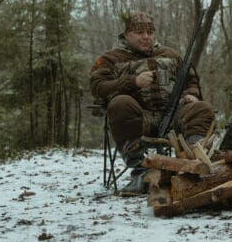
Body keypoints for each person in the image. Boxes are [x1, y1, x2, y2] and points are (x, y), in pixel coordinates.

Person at [90, 11, 214, 194]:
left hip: (173, 118)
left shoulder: (171, 55)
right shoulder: (110, 59)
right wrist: (133, 82)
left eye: (150, 32)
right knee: (120, 104)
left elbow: (191, 81)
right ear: (127, 34)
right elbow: (98, 86)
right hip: (139, 121)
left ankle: (196, 165)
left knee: (202, 108)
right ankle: (142, 171)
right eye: (139, 33)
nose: (146, 37)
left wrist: (191, 95)